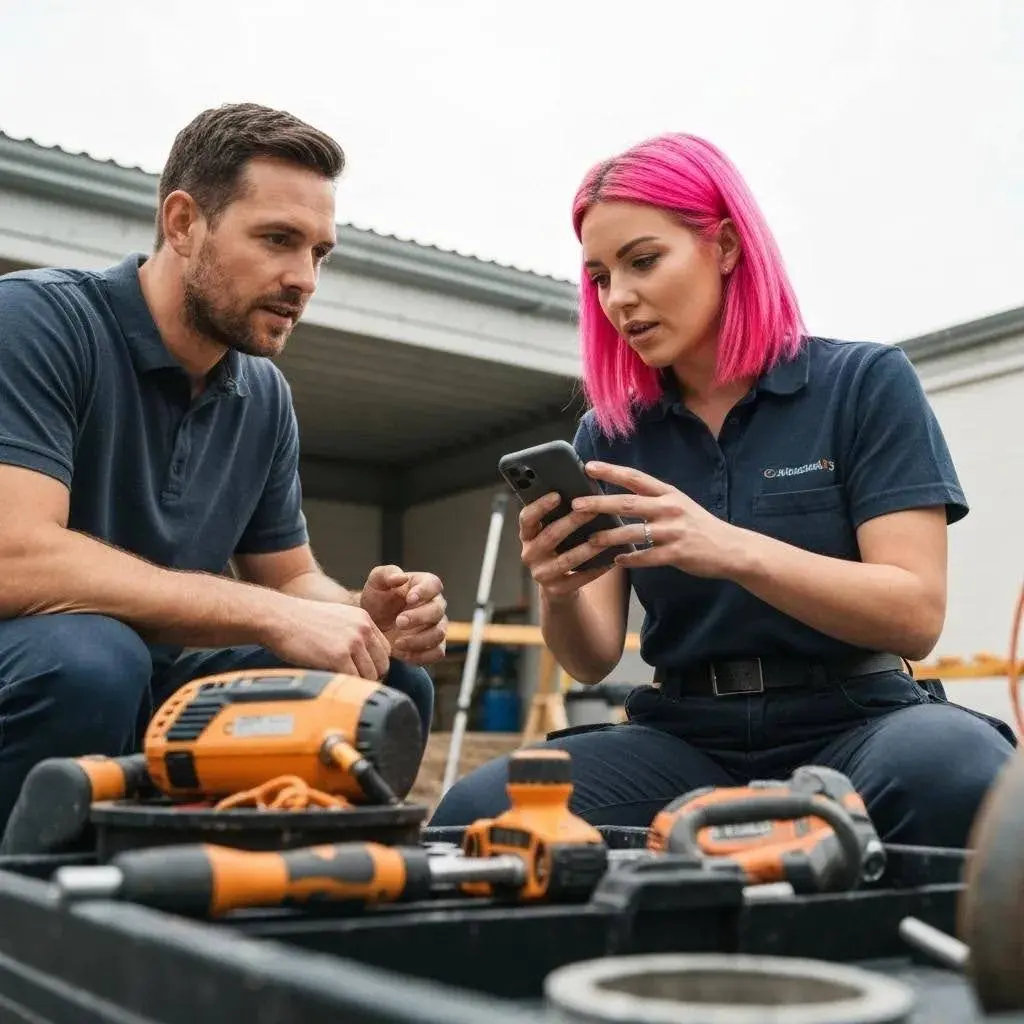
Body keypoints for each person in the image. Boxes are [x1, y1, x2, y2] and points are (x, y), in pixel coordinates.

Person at [430, 132, 1015, 849]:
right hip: (686, 734)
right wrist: (556, 585)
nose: (620, 298)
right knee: (478, 812)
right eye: (600, 278)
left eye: (643, 261)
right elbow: (591, 656)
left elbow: (914, 614)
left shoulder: (863, 385)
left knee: (957, 770)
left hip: (858, 718)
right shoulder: (610, 435)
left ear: (728, 246)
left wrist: (728, 547)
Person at [0, 103, 446, 834]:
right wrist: (270, 614)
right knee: (94, 660)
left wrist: (363, 614)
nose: (303, 278)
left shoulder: (263, 396)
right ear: (182, 224)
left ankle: (267, 912)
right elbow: (13, 558)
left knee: (384, 678)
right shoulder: (37, 323)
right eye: (277, 240)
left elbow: (291, 579)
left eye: (319, 253)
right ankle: (30, 922)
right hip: (45, 663)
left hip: (153, 675)